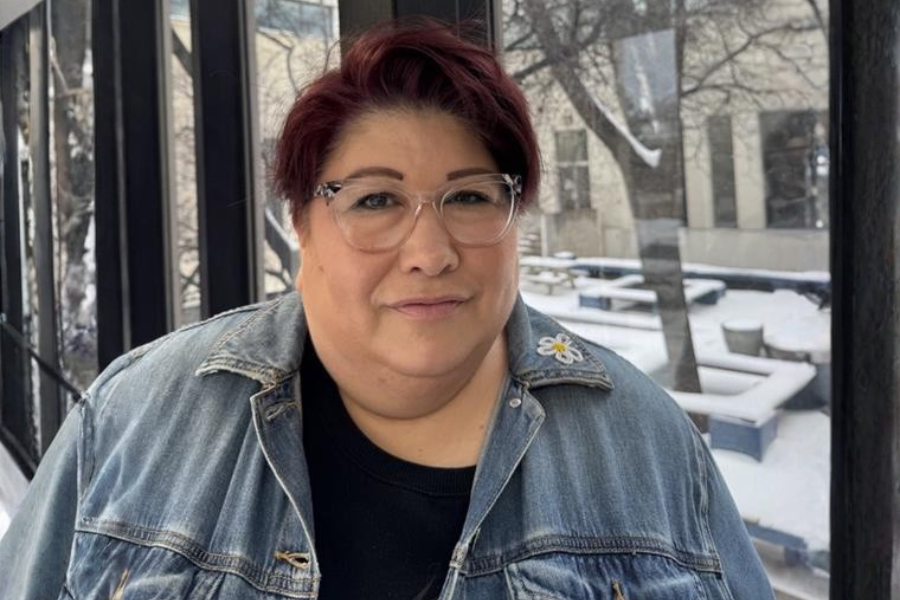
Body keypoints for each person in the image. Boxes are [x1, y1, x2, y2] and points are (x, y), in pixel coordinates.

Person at [0, 18, 775, 600]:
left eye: (470, 197)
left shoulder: (647, 449)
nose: (429, 249)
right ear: (302, 225)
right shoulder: (136, 420)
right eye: (375, 199)